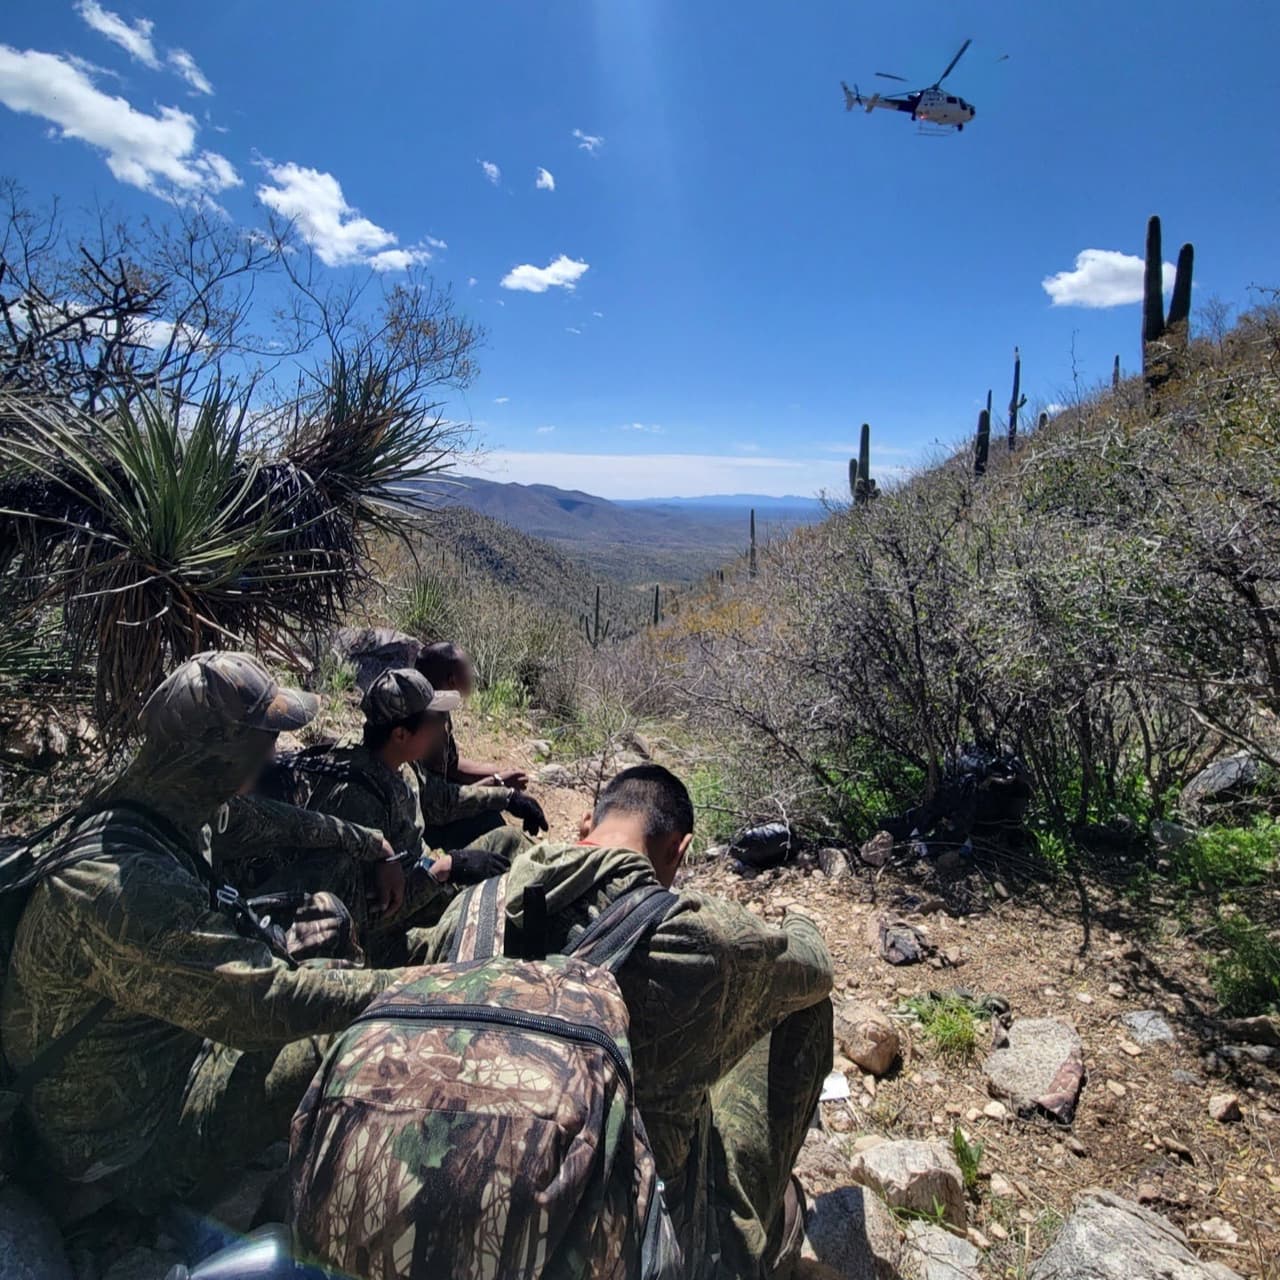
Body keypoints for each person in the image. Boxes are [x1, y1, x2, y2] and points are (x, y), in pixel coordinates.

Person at [0, 651, 406, 1213]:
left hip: (159, 1050)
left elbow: (259, 822)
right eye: (265, 736)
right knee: (337, 1038)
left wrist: (368, 840)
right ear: (224, 753)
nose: (274, 750)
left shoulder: (161, 798)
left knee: (326, 922)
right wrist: (423, 992)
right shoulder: (125, 890)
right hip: (119, 1144)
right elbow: (261, 1005)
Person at [416, 764, 834, 1279]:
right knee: (805, 1007)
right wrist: (796, 917)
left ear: (585, 824)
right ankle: (737, 1248)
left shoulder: (468, 914)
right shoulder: (696, 941)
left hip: (445, 1232)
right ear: (679, 853)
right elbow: (816, 968)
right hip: (621, 1251)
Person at [253, 667, 535, 965]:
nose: (442, 728)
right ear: (400, 733)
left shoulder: (399, 762)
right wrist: (444, 871)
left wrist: (506, 797)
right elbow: (362, 915)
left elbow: (439, 799)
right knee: (493, 931)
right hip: (394, 935)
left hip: (428, 883)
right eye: (434, 721)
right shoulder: (357, 800)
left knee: (509, 842)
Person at [413, 643, 546, 850]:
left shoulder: (439, 708)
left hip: (435, 803)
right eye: (467, 668)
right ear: (452, 680)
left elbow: (451, 765)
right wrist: (500, 788)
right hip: (422, 820)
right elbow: (439, 805)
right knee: (491, 824)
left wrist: (501, 775)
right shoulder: (422, 724)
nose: (473, 674)